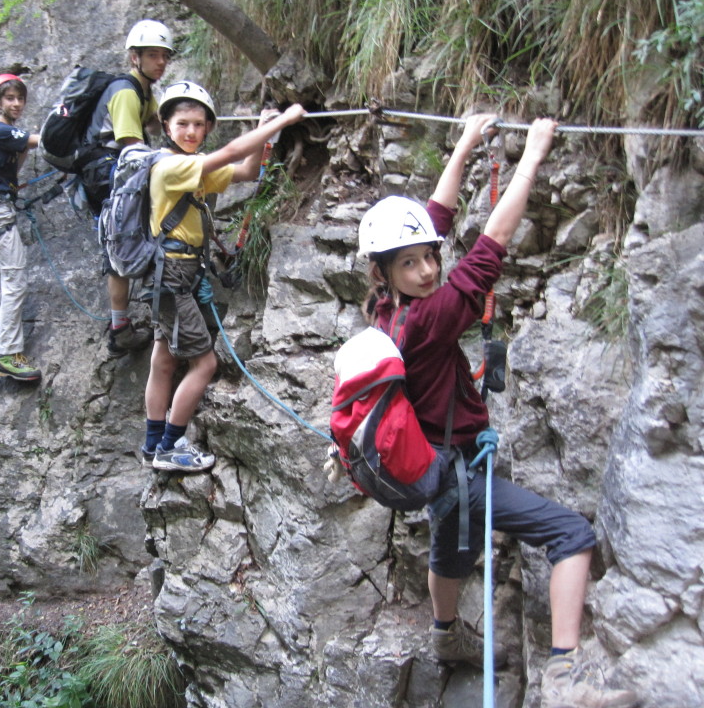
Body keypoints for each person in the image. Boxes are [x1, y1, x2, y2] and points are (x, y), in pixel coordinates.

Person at [355, 115, 638, 708]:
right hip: (458, 473)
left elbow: (434, 217)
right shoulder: (431, 319)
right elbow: (490, 250)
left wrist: (464, 142)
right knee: (572, 534)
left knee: (450, 547)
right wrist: (532, 155)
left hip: (435, 466)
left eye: (429, 258)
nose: (429, 270)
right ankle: (564, 670)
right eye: (412, 265)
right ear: (385, 272)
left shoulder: (389, 307)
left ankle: (445, 635)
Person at [140, 82, 305, 472]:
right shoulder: (170, 166)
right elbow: (231, 151)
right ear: (166, 126)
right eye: (183, 124)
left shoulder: (191, 169)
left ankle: (152, 445)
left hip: (170, 277)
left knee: (163, 360)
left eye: (199, 124)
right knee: (205, 364)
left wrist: (269, 131)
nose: (191, 132)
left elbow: (246, 169)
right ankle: (170, 446)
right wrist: (284, 119)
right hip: (173, 276)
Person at [82, 19, 174, 358]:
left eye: (165, 56)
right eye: (153, 56)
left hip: (114, 170)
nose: (160, 63)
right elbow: (131, 145)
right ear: (134, 57)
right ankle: (120, 327)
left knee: (134, 235)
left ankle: (140, 308)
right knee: (120, 244)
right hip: (106, 173)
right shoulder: (124, 91)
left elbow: (153, 123)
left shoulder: (143, 90)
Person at [0, 73, 42, 383]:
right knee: (15, 279)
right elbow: (42, 141)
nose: (16, 103)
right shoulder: (0, 131)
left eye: (19, 98)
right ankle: (9, 354)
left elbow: (13, 167)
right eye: (9, 98)